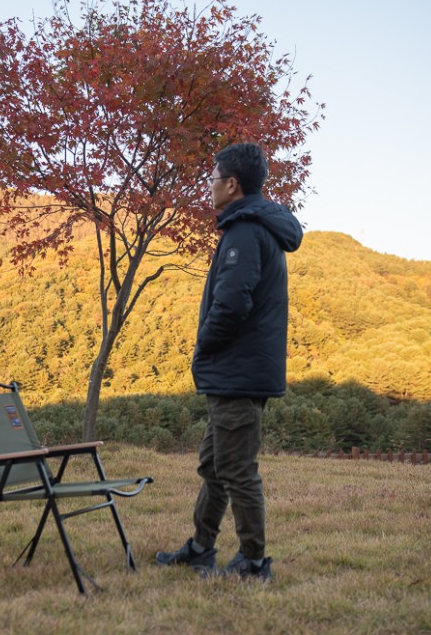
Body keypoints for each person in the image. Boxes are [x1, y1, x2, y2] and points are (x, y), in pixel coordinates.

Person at [156, 142, 303, 581]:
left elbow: (232, 303)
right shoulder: (257, 225)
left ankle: (253, 563)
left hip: (237, 372)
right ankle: (201, 547)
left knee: (237, 468)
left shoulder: (243, 231)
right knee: (214, 464)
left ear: (232, 184)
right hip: (239, 371)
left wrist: (204, 344)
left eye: (214, 179)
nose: (211, 186)